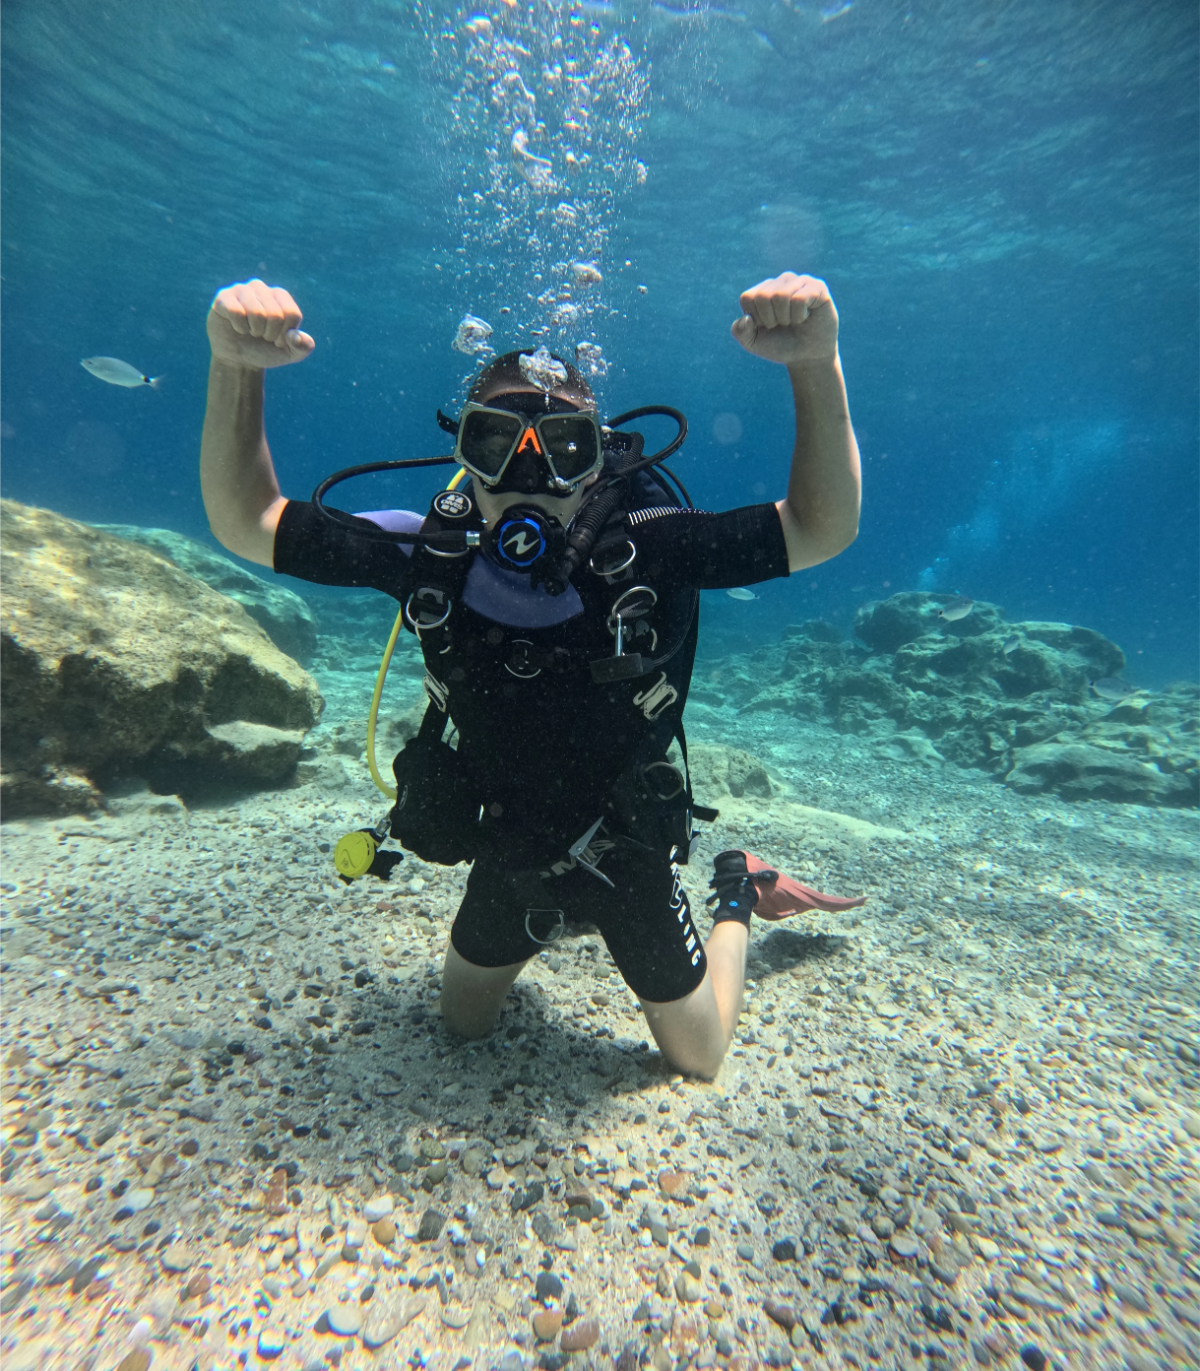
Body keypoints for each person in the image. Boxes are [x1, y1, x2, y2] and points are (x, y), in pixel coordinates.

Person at [200, 271, 863, 1079]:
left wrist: (815, 360)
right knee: (462, 1024)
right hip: (510, 846)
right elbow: (249, 519)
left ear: (596, 460)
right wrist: (232, 366)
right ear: (462, 452)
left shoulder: (646, 548)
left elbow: (821, 526)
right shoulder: (426, 556)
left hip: (625, 850)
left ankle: (735, 890)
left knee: (700, 1056)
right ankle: (560, 917)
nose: (526, 471)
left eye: (562, 446)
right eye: (493, 441)